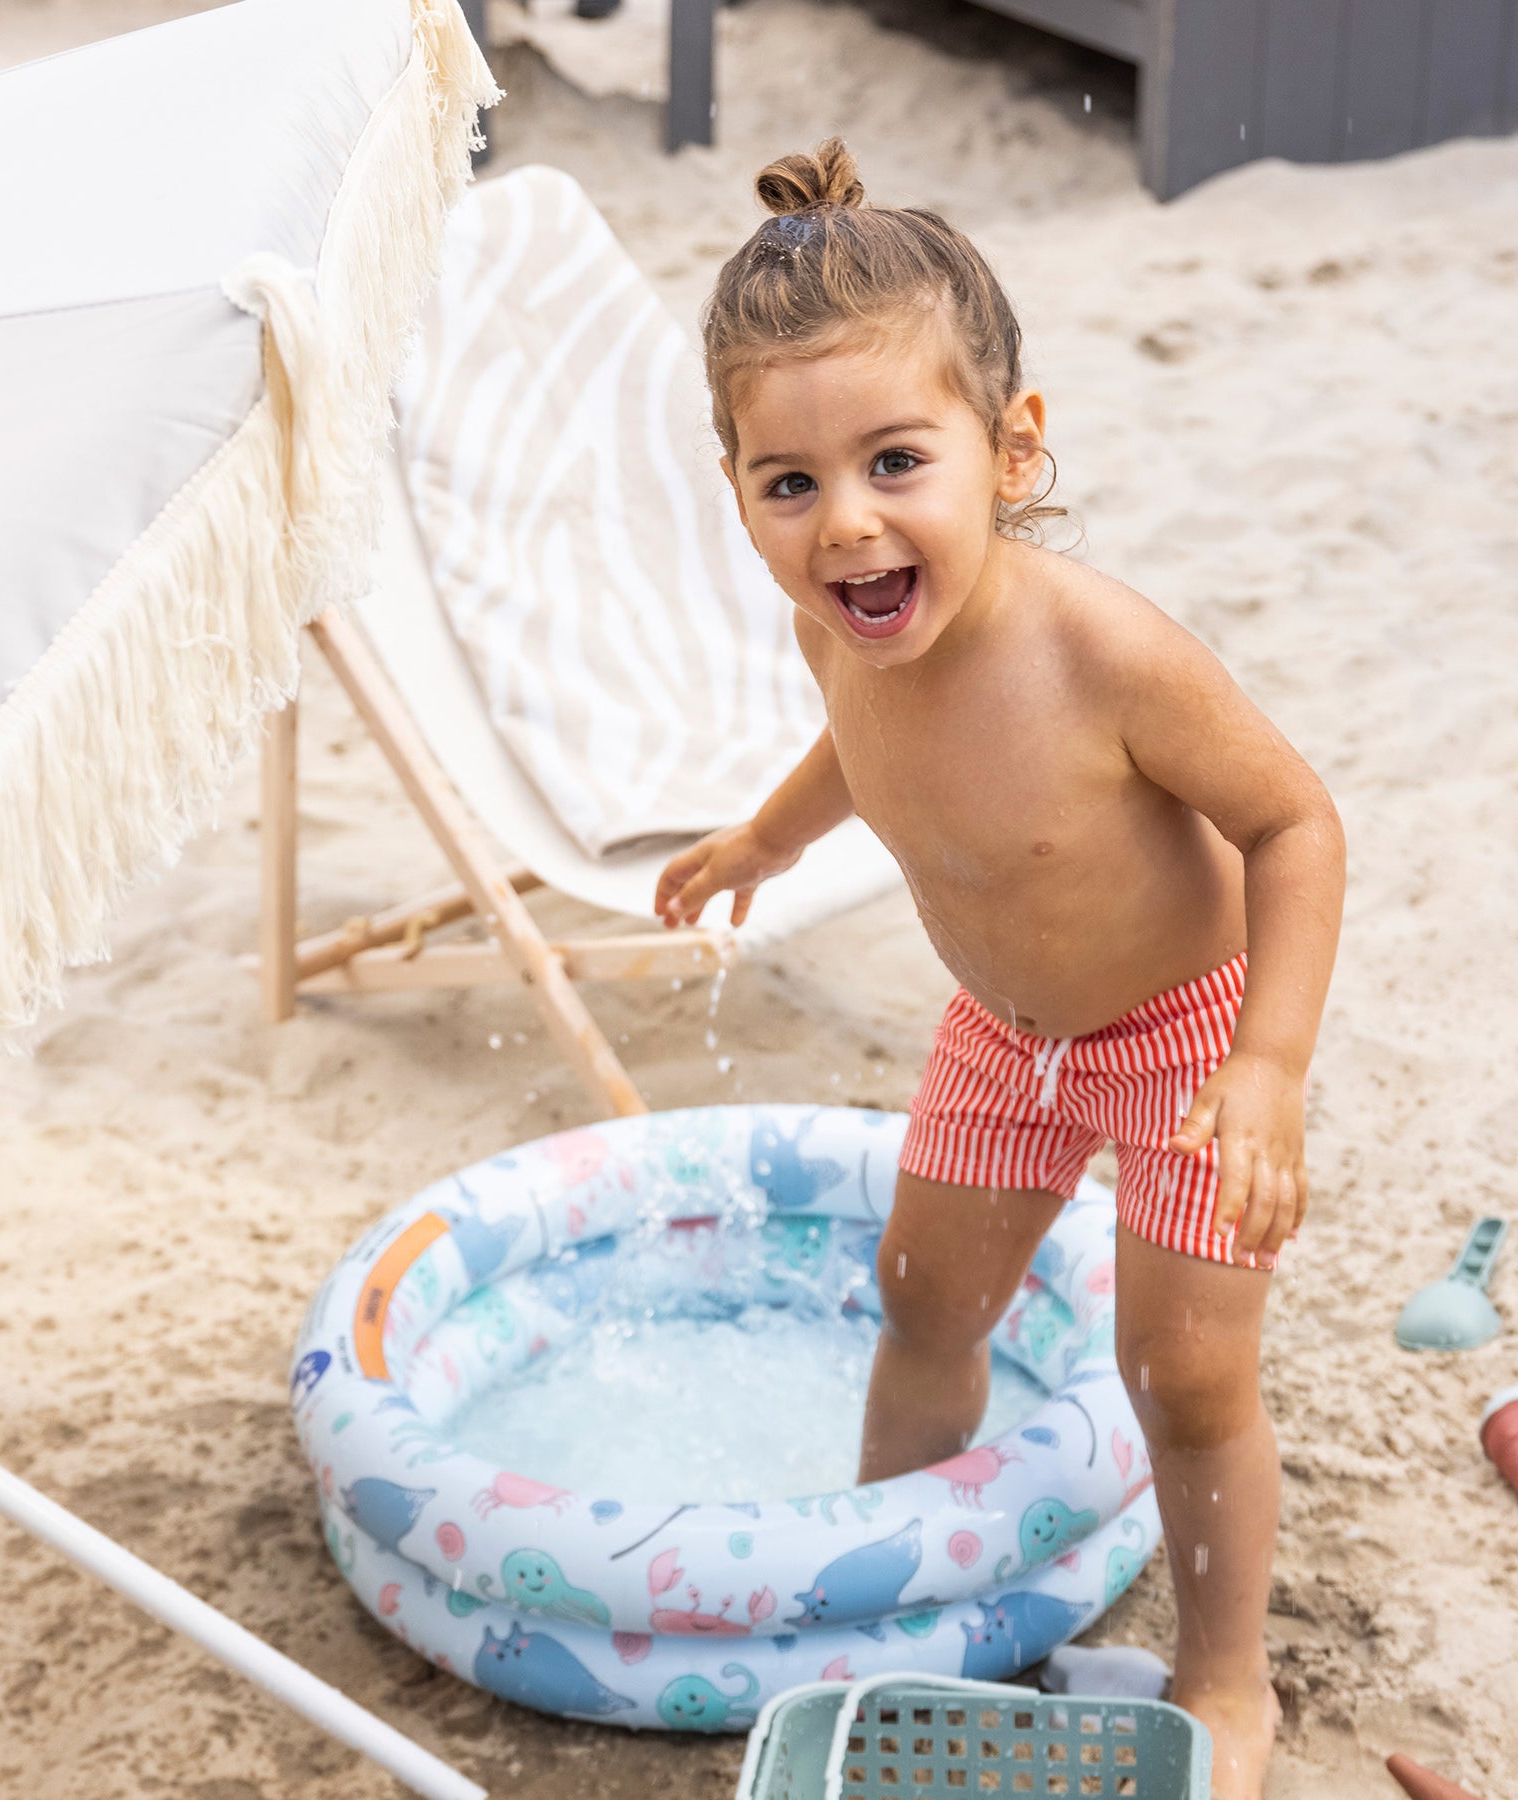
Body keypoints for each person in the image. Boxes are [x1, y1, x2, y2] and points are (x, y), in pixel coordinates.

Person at [655, 139, 1344, 1799]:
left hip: (1188, 1043)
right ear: (737, 488)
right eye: (790, 483)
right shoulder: (838, 622)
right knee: (923, 1300)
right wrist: (765, 841)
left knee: (1185, 1373)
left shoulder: (1099, 652)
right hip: (1003, 1039)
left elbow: (1296, 823)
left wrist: (1268, 1065)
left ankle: (1227, 1676)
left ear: (1011, 446)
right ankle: (883, 1577)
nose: (848, 524)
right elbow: (855, 742)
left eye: (897, 461)